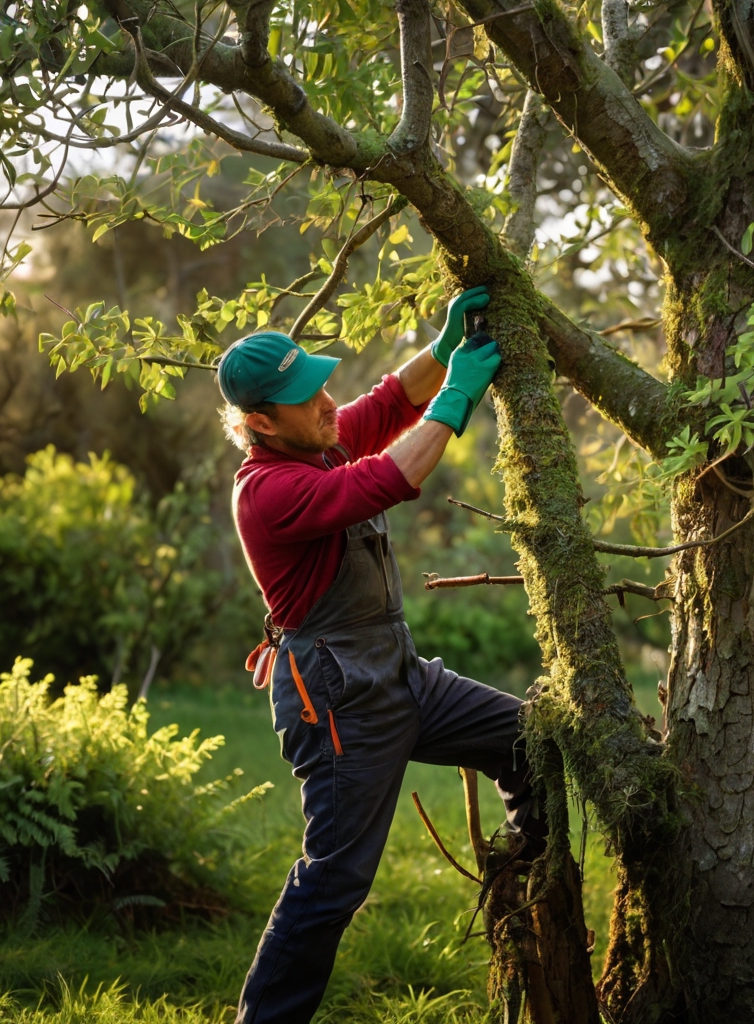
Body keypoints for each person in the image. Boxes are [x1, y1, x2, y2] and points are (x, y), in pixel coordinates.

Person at [218, 287, 543, 1024]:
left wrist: (443, 344)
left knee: (533, 742)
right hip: (338, 703)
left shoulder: (316, 437)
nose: (327, 402)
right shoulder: (268, 491)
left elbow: (385, 403)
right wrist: (459, 394)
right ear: (260, 422)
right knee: (335, 880)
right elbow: (388, 477)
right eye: (305, 398)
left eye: (320, 382)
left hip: (399, 675)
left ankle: (525, 891)